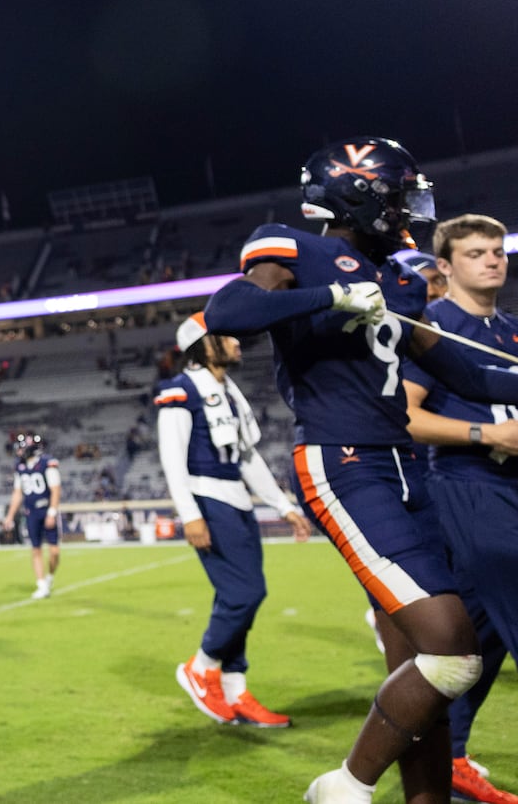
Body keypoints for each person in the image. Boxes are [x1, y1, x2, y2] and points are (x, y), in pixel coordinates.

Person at [201, 137, 518, 804]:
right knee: (454, 650)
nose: (411, 206)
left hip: (409, 469)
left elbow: (462, 368)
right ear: (363, 192)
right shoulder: (293, 245)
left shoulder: (404, 278)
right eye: (400, 192)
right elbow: (227, 311)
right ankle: (345, 784)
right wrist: (329, 295)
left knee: (418, 665)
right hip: (342, 459)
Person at [399, 214, 518, 804]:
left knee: (474, 643)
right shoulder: (431, 329)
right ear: (446, 266)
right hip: (467, 484)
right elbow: (405, 415)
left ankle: (443, 761)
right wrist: (484, 435)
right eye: (477, 252)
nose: (493, 260)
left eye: (498, 251)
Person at [158, 312, 313, 728]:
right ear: (204, 344)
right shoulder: (181, 390)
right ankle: (201, 666)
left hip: (236, 502)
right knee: (245, 593)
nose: (238, 342)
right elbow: (172, 460)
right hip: (208, 500)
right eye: (227, 337)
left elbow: (247, 458)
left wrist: (284, 507)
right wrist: (190, 515)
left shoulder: (228, 391)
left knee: (237, 598)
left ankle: (235, 691)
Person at [1, 430, 61, 598]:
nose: (18, 452)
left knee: (55, 552)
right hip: (31, 512)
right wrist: (10, 516)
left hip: (46, 509)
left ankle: (49, 576)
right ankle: (41, 584)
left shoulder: (47, 463)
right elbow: (17, 493)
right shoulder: (20, 467)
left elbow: (56, 490)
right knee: (36, 549)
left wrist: (52, 512)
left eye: (21, 448)